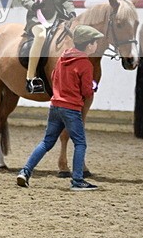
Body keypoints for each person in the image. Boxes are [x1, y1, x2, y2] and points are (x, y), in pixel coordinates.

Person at [16, 24, 104, 191]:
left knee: (46, 142)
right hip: (71, 109)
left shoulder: (63, 57)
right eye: (95, 42)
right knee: (80, 143)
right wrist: (93, 86)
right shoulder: (85, 64)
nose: (96, 46)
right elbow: (87, 92)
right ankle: (77, 180)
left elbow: (53, 76)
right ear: (88, 45)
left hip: (55, 106)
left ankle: (25, 172)